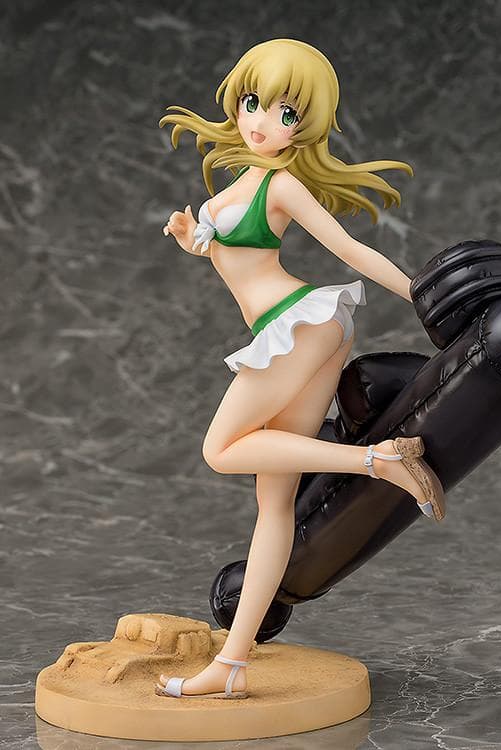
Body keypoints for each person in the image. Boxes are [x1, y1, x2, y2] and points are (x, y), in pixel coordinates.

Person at [155, 38, 445, 700]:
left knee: (220, 449)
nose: (263, 121)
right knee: (273, 504)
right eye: (255, 103)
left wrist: (423, 296)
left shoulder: (281, 183)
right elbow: (232, 251)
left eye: (286, 113)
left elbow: (349, 247)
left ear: (305, 126)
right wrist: (194, 239)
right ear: (237, 101)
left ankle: (380, 462)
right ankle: (233, 663)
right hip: (295, 330)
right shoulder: (244, 180)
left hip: (299, 324)